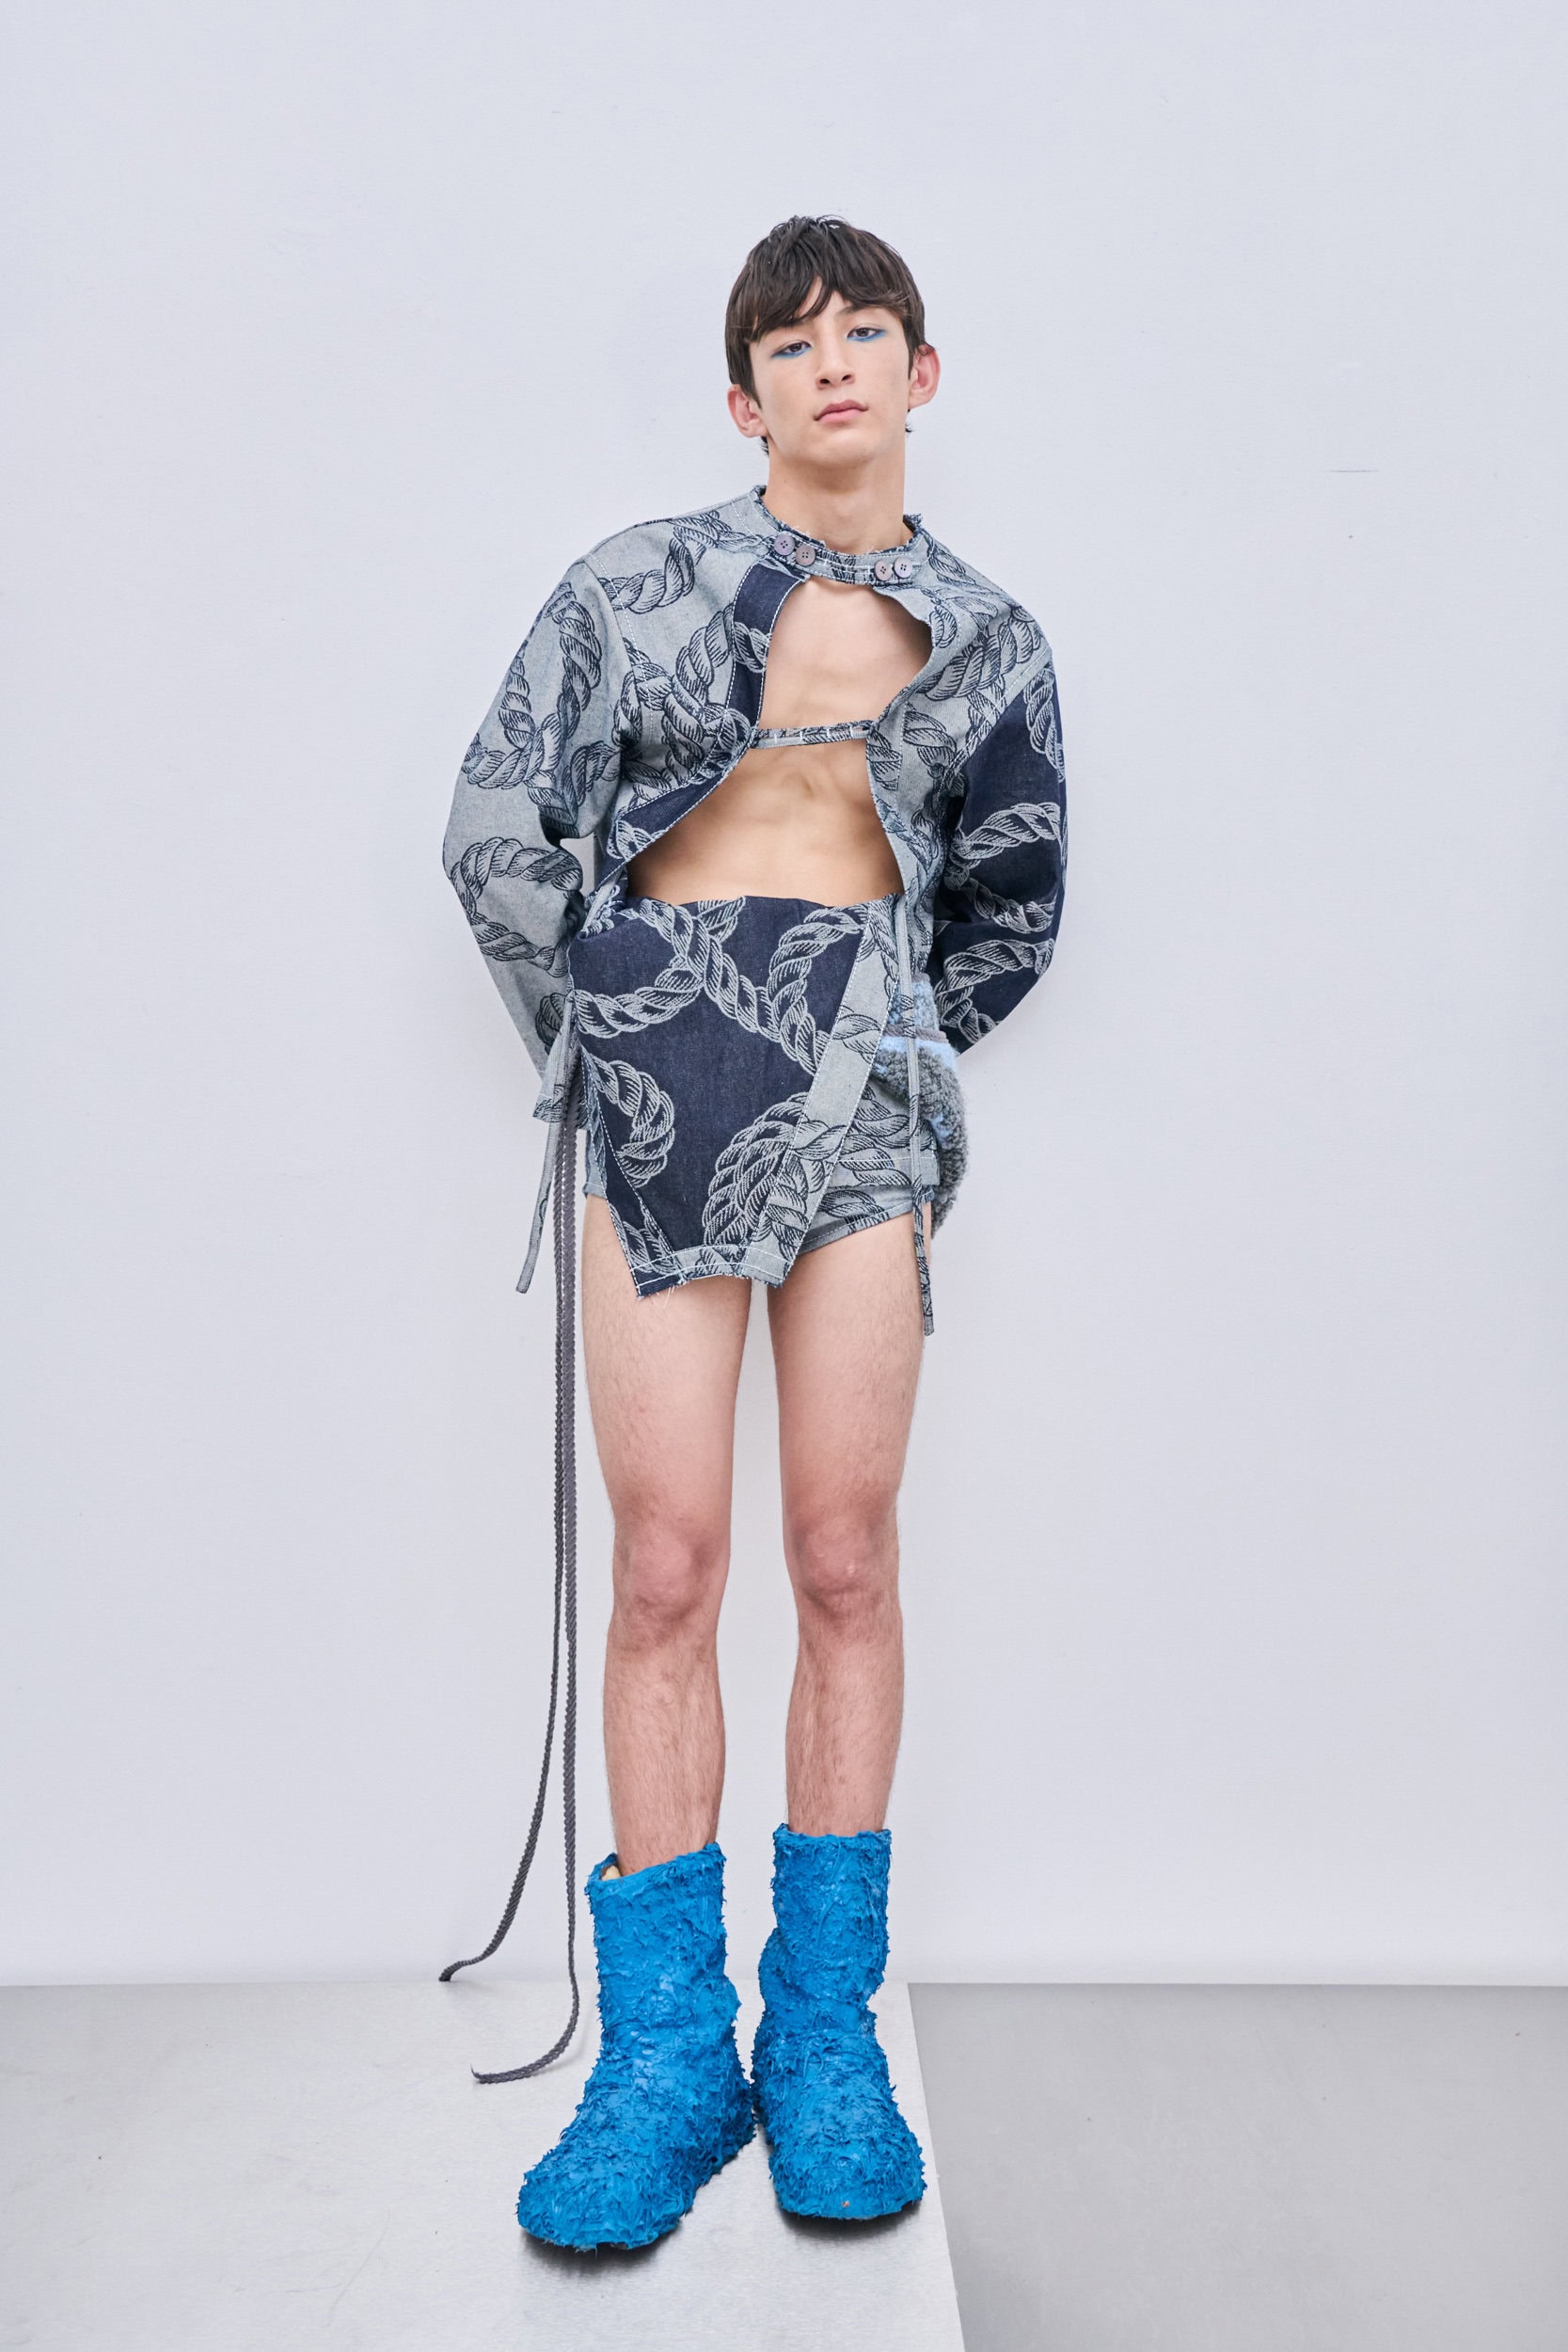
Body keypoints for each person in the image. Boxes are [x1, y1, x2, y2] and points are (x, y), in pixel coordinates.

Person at [440, 215, 1067, 2250]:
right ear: (744, 399)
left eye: (867, 329)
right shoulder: (632, 585)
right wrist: (623, 1018)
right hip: (660, 1098)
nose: (834, 362)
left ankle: (820, 2039)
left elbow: (1016, 898)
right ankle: (661, 2059)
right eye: (792, 344)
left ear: (923, 371)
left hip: (859, 1113)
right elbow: (494, 825)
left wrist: (886, 1037)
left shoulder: (991, 639)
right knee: (669, 1565)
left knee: (844, 1552)